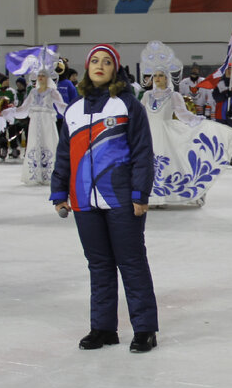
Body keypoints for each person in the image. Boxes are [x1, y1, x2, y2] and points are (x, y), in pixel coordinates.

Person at [50, 44, 158, 352]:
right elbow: (64, 156)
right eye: (94, 61)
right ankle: (103, 328)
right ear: (87, 68)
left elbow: (142, 152)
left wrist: (140, 193)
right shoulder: (73, 110)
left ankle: (145, 328)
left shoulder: (126, 105)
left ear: (116, 69)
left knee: (132, 263)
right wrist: (59, 190)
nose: (100, 65)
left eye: (106, 62)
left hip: (121, 198)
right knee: (98, 264)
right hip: (84, 200)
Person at [139, 40, 232, 205]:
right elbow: (140, 114)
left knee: (170, 163)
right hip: (149, 135)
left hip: (165, 134)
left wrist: (197, 121)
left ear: (167, 77)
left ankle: (178, 193)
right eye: (154, 75)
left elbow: (183, 114)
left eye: (160, 75)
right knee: (148, 164)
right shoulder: (147, 96)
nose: (157, 79)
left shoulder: (173, 96)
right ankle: (152, 196)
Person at [0, 48, 67, 186]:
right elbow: (23, 109)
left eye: (43, 75)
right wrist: (9, 112)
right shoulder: (33, 92)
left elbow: (61, 106)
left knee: (49, 144)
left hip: (47, 121)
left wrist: (74, 111)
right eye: (39, 75)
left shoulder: (52, 92)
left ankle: (50, 175)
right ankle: (35, 174)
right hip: (35, 122)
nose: (40, 78)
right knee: (35, 145)